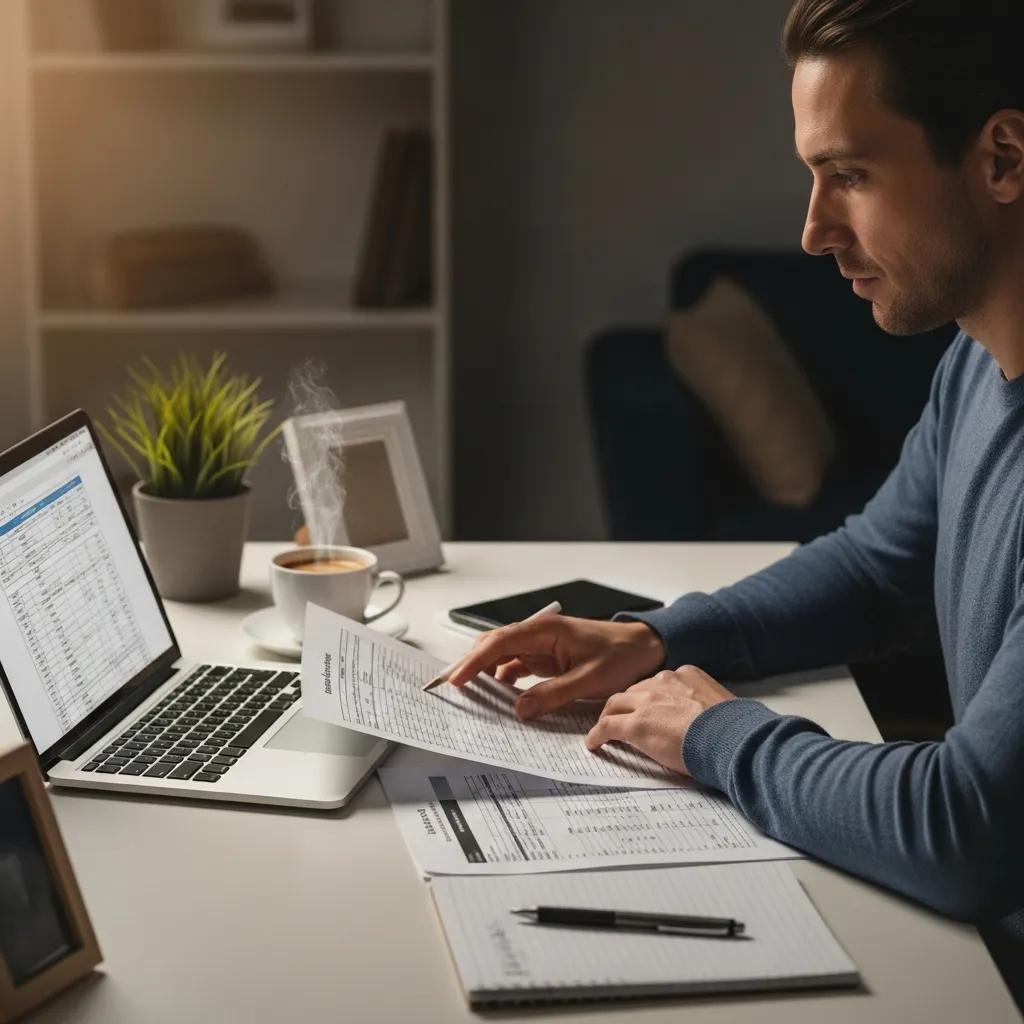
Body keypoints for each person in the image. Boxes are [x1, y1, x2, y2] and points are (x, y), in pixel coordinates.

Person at [445, 0, 1024, 1005]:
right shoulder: (977, 363)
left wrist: (717, 734)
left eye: (850, 174)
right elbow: (877, 568)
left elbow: (961, 828)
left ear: (1003, 158)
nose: (813, 230)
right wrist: (656, 638)